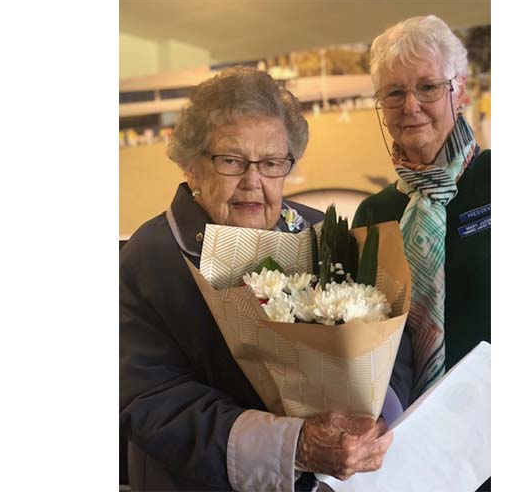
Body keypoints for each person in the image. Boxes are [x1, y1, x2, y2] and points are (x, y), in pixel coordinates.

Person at [120, 67, 414, 491]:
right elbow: (148, 399)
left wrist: (377, 418)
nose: (253, 181)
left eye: (272, 163)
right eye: (231, 161)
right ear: (191, 167)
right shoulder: (149, 257)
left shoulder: (320, 232)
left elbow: (390, 336)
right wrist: (294, 446)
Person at [353, 13, 491, 421]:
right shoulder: (373, 214)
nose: (410, 106)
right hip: (411, 430)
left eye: (428, 87)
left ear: (459, 90)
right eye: (394, 93)